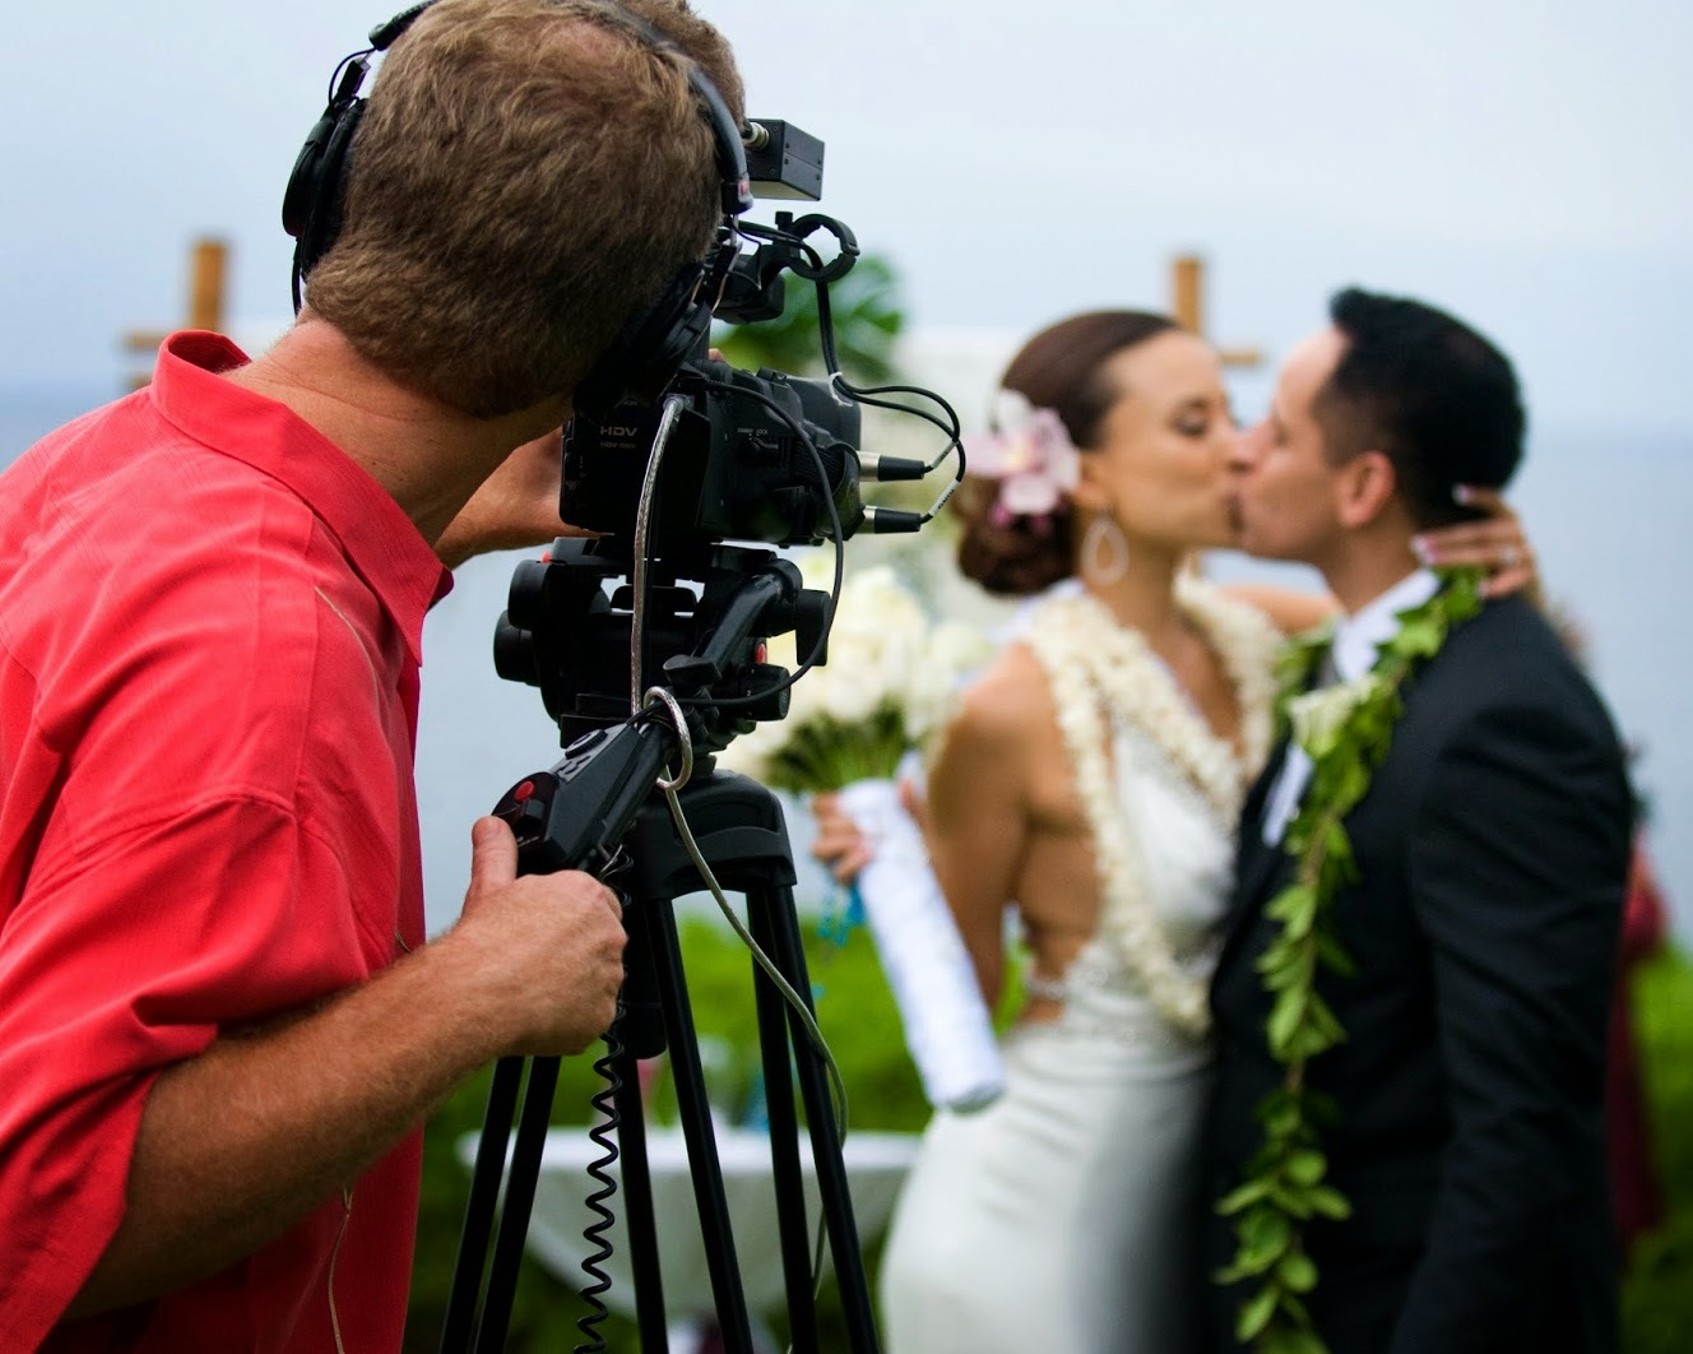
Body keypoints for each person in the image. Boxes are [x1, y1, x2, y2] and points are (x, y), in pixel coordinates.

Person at [0, 3, 742, 1348]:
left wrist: (413, 523)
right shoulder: (267, 647)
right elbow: (28, 1208)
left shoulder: (106, 469)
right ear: (643, 342)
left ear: (335, 186)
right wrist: (472, 995)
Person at [811, 309, 1538, 1353]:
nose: (1242, 445)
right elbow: (960, 1019)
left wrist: (1506, 581)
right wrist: (900, 863)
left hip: (1203, 1221)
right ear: (1089, 476)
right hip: (1034, 1226)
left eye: (1238, 416)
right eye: (1195, 424)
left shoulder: (1272, 639)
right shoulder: (1006, 710)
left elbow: (1465, 701)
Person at [1207, 287, 1634, 1352]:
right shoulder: (1353, 663)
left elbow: (1520, 1132)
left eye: (1277, 429)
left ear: (1363, 485)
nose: (1243, 451)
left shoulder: (1507, 721)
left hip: (1392, 1311)